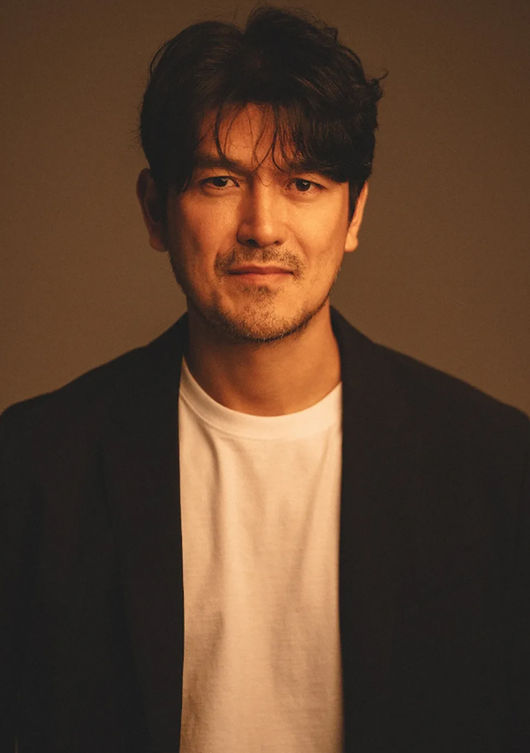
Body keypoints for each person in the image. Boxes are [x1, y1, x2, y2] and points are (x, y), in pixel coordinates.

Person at [0, 7, 528, 753]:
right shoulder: (32, 468)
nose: (263, 226)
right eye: (220, 180)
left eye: (304, 183)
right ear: (155, 210)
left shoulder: (498, 470)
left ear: (354, 213)